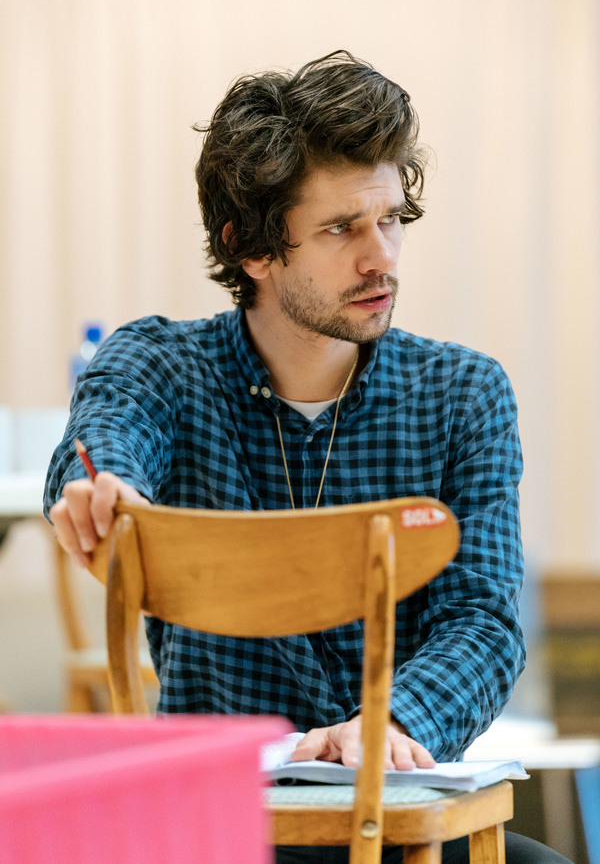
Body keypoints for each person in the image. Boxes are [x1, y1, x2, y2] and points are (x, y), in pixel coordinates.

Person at [44, 51, 571, 863]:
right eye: (340, 229)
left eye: (391, 219)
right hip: (219, 822)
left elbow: (485, 621)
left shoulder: (463, 393)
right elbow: (108, 441)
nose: (382, 258)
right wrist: (103, 490)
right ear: (251, 248)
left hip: (398, 806)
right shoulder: (163, 366)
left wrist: (384, 723)